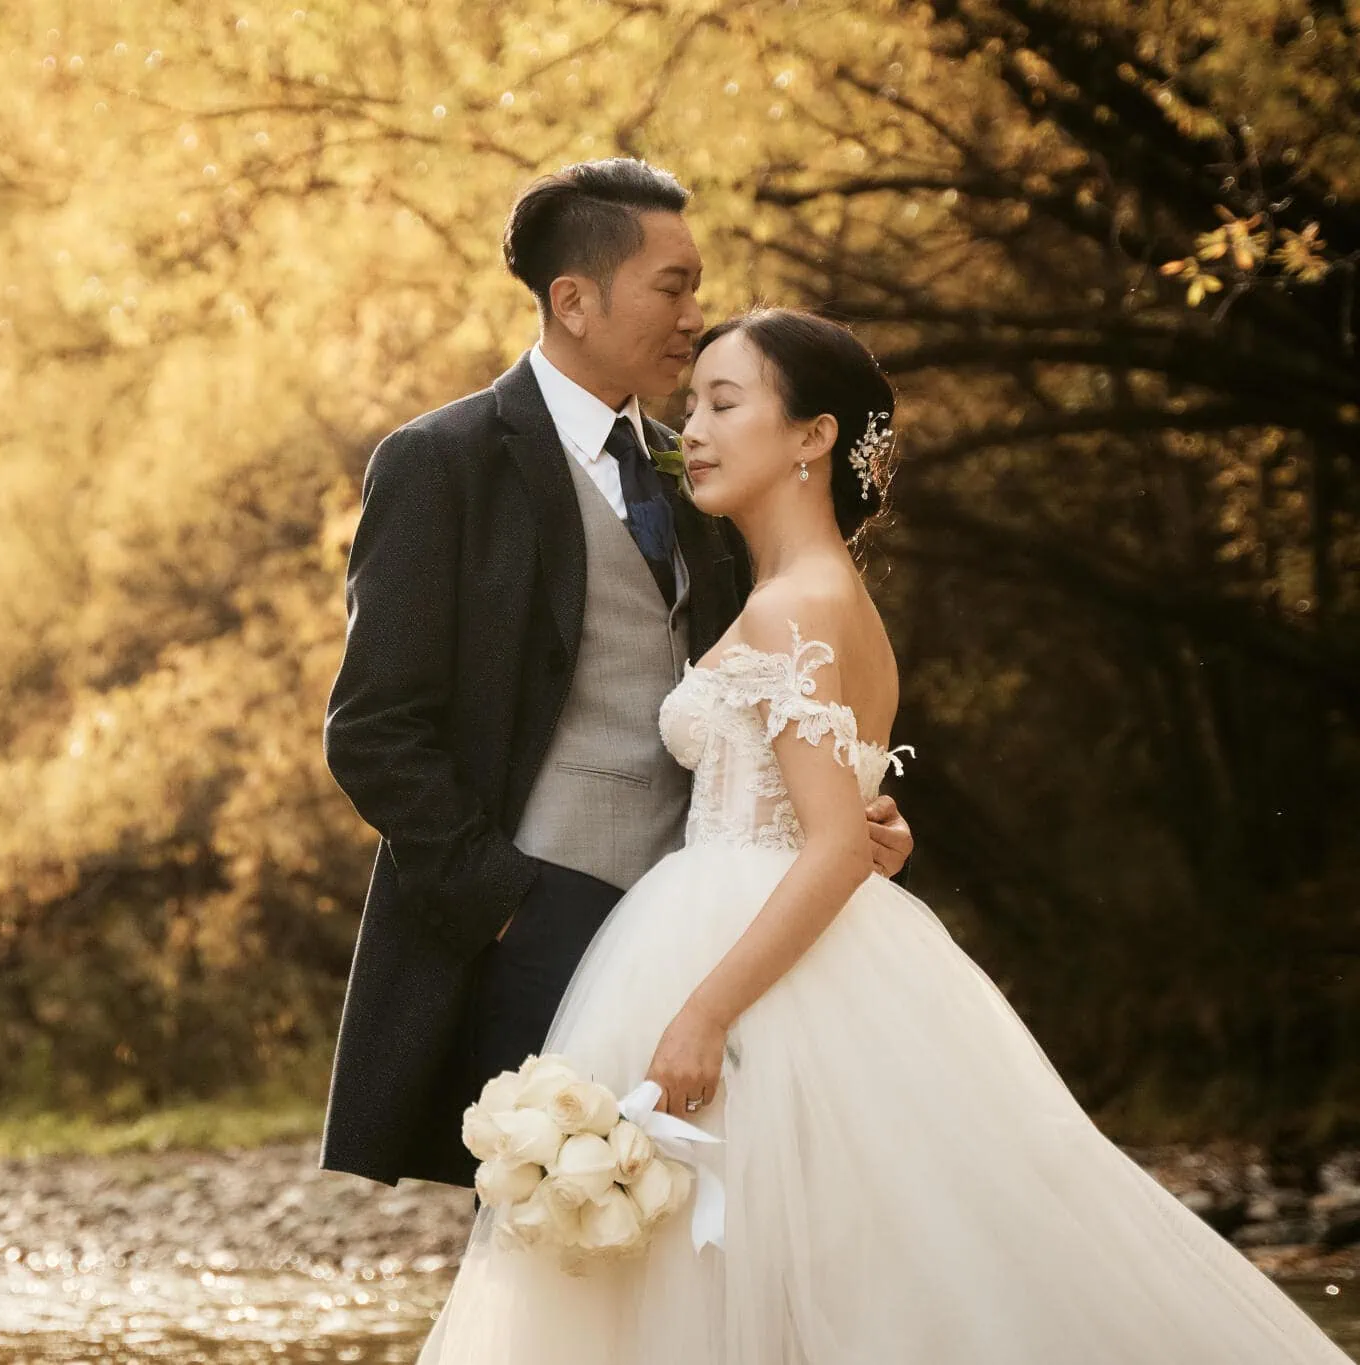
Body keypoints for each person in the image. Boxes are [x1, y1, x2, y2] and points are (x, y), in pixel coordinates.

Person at [415, 307, 1352, 1364]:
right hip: (778, 935)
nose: (695, 431)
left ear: (812, 436)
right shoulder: (810, 597)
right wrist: (856, 838)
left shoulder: (794, 608)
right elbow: (834, 820)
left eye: (724, 404)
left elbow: (824, 844)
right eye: (691, 406)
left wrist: (699, 1014)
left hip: (745, 965)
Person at [319, 159, 913, 1191]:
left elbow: (774, 689)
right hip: (539, 919)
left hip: (709, 926)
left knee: (704, 1230)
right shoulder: (442, 462)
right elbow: (372, 728)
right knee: (561, 1225)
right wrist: (504, 901)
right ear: (575, 300)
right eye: (670, 286)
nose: (692, 316)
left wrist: (844, 813)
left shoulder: (702, 473)